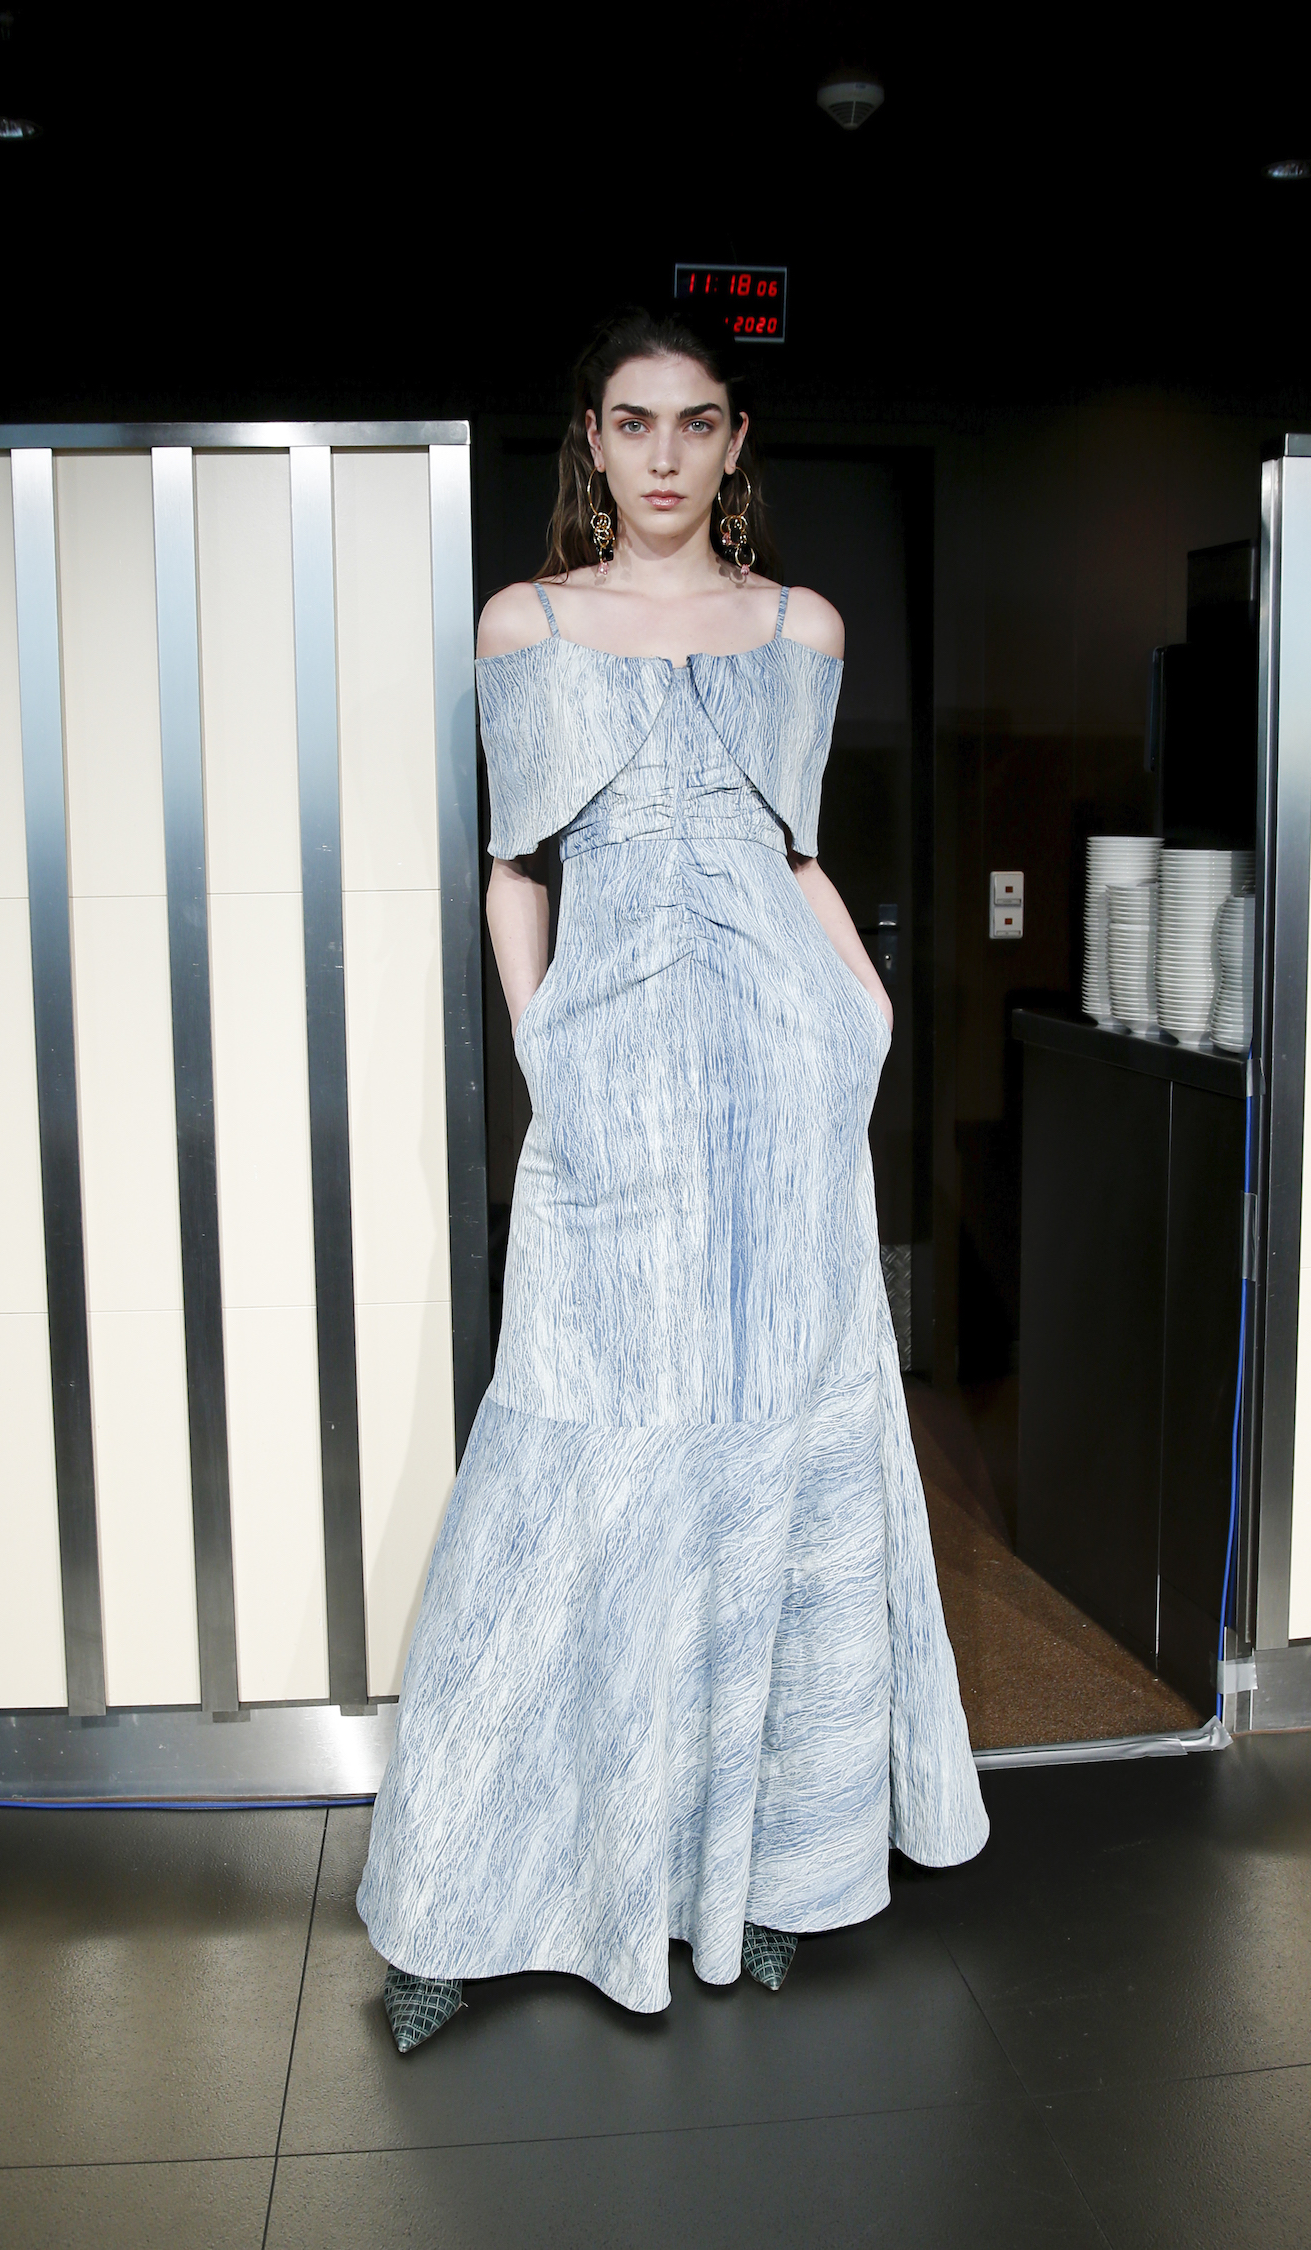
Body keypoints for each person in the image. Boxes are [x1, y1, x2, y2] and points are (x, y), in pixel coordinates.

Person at [357, 307, 987, 2053]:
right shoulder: (529, 623)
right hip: (613, 1085)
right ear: (591, 436)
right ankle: (462, 1906)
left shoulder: (800, 627)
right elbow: (516, 867)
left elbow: (798, 853)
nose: (661, 454)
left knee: (780, 1452)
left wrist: (860, 1011)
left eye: (693, 422)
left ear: (733, 441)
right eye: (631, 422)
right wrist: (550, 1054)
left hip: (783, 1091)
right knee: (562, 1459)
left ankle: (768, 1867)